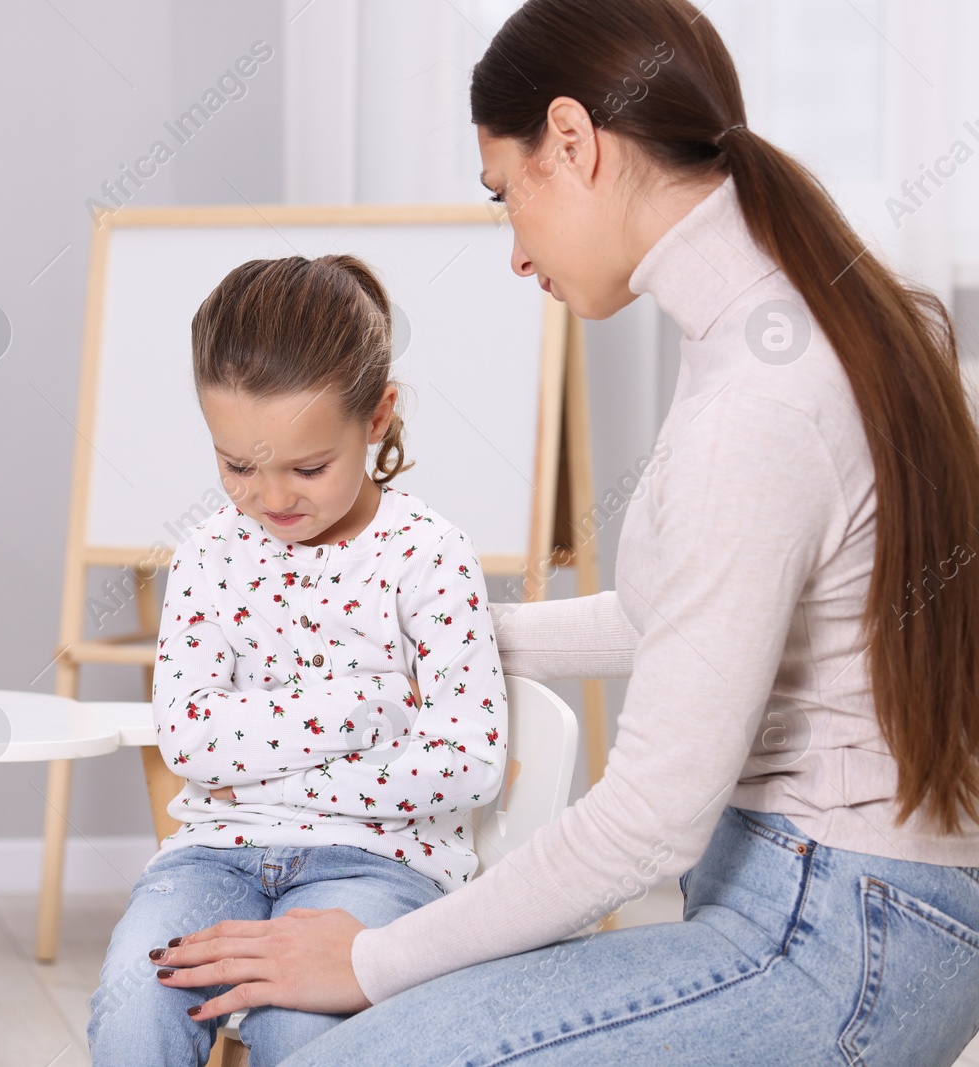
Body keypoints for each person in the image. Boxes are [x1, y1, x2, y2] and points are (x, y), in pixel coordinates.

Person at [146, 0, 979, 1062]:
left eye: (504, 195)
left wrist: (366, 960)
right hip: (842, 904)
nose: (514, 253)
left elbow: (645, 821)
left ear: (574, 141)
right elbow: (670, 619)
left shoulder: (756, 403)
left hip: (835, 932)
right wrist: (418, 626)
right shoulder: (770, 326)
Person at [85, 253, 510, 1066]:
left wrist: (256, 774)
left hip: (382, 865)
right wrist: (368, 708)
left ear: (378, 416)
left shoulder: (429, 555)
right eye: (237, 465)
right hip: (214, 854)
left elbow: (466, 761)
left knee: (305, 1031)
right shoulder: (207, 556)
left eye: (309, 467)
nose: (272, 497)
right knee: (138, 997)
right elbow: (190, 742)